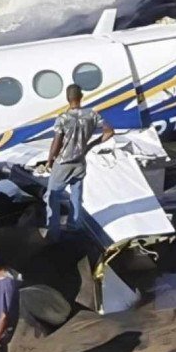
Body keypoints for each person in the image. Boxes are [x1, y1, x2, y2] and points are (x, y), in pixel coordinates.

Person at [44, 84, 114, 242]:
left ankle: (53, 233)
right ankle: (75, 226)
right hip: (80, 161)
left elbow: (57, 141)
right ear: (81, 97)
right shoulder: (92, 114)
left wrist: (50, 160)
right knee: (76, 195)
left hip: (64, 162)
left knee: (52, 196)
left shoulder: (63, 118)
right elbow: (109, 131)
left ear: (68, 99)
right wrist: (90, 145)